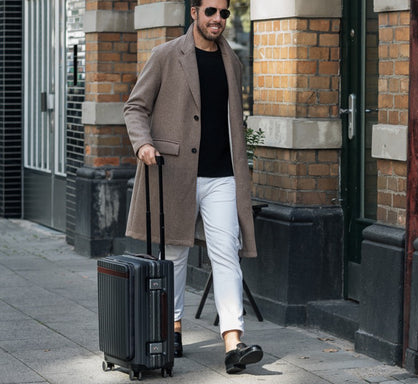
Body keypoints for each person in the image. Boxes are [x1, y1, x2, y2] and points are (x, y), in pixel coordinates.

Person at [123, 0, 263, 374]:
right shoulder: (166, 55)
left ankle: (233, 341)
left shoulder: (232, 62)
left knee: (226, 253)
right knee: (175, 255)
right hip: (175, 172)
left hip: (222, 176)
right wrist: (144, 144)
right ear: (195, 13)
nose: (218, 19)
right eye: (211, 12)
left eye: (224, 14)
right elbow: (135, 107)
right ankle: (173, 326)